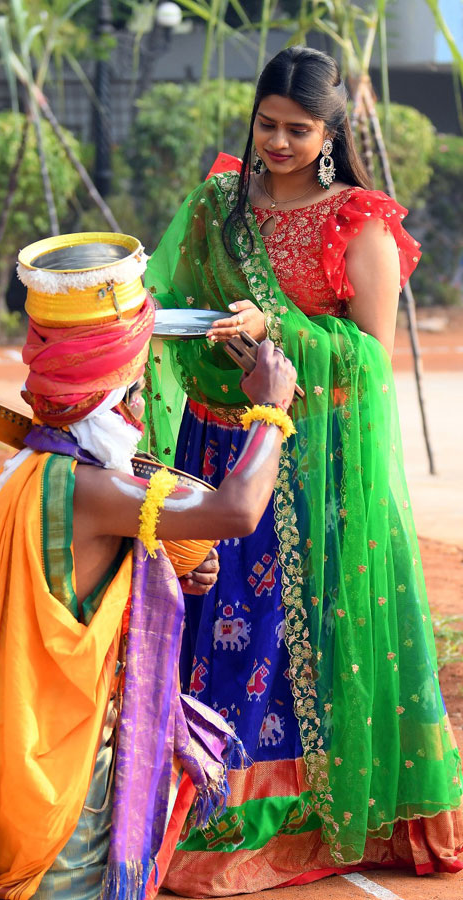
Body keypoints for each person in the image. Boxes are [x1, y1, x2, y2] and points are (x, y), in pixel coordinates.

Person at [0, 233, 297, 900]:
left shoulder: (34, 474)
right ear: (129, 379)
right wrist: (272, 408)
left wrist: (161, 567)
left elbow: (89, 576)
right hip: (62, 804)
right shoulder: (95, 491)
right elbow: (237, 510)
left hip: (19, 763)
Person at [144, 46, 463, 894]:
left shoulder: (359, 224)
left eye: (296, 129)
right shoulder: (220, 202)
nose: (276, 143)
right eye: (266, 124)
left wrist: (278, 327)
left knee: (289, 644)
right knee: (198, 626)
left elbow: (369, 361)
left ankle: (275, 814)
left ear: (329, 134)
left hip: (305, 460)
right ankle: (182, 800)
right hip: (209, 447)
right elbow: (166, 294)